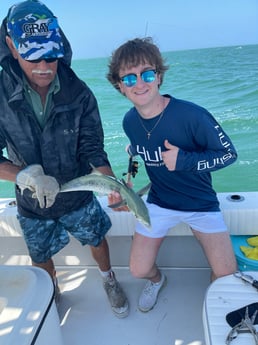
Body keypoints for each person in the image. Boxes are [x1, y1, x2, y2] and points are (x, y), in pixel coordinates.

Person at [0, 0, 129, 318]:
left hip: (79, 194)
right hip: (32, 201)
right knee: (39, 255)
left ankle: (108, 279)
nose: (45, 66)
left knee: (97, 238)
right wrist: (25, 176)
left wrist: (110, 182)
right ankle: (51, 293)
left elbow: (93, 148)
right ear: (12, 47)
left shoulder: (80, 93)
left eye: (51, 55)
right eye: (33, 55)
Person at [107, 37, 238, 313]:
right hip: (158, 203)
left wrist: (185, 160)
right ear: (120, 86)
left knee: (226, 274)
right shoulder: (129, 121)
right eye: (129, 78)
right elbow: (135, 152)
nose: (139, 83)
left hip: (201, 204)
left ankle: (214, 296)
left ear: (159, 76)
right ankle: (158, 280)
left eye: (146, 74)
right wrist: (127, 184)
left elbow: (229, 154)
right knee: (138, 269)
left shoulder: (193, 116)